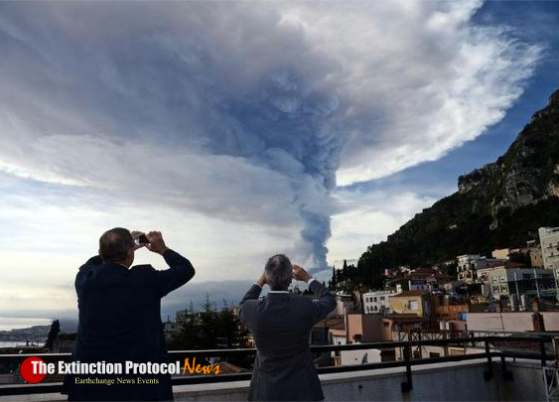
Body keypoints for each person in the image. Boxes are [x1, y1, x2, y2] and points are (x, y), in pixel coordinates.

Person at [63, 228, 195, 402]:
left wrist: (120, 247)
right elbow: (186, 269)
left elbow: (94, 262)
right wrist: (162, 248)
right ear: (130, 253)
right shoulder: (145, 280)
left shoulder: (84, 279)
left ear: (101, 253)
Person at [239, 254, 336, 402]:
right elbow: (329, 300)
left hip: (265, 393)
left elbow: (244, 303)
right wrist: (307, 278)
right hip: (303, 391)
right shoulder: (304, 306)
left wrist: (261, 281)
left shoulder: (252, 310)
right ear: (290, 279)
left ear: (267, 277)